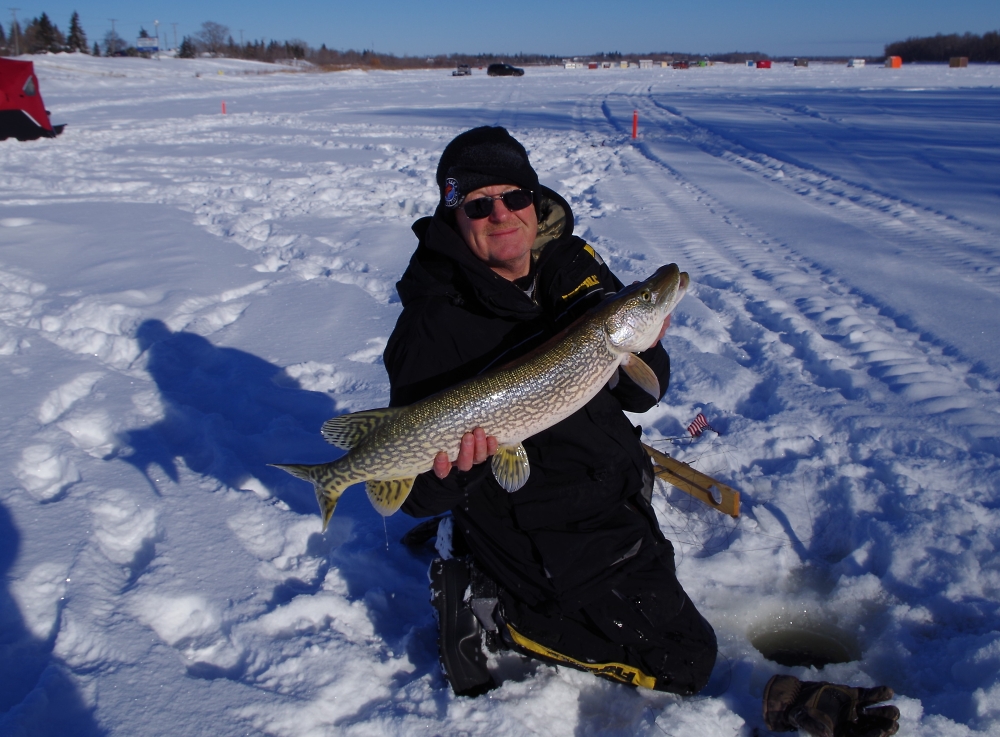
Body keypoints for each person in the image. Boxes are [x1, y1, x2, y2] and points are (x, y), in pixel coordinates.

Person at [383, 126, 900, 737]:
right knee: (686, 661)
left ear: (534, 197)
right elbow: (406, 491)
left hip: (614, 488)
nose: (502, 214)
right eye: (478, 203)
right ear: (452, 212)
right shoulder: (431, 327)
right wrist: (457, 470)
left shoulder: (571, 263)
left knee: (651, 589)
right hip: (541, 529)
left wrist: (644, 354)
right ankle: (490, 611)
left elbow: (642, 389)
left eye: (515, 196)